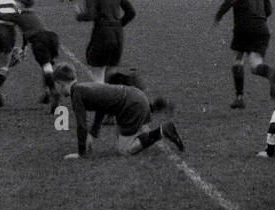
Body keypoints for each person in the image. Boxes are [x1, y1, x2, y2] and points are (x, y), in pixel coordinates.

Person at [53, 63, 182, 159]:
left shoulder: (77, 94)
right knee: (124, 138)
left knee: (124, 150)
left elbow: (81, 125)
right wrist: (92, 135)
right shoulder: (83, 87)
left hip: (131, 106)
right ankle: (153, 116)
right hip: (135, 97)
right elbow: (101, 107)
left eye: (56, 86)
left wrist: (81, 152)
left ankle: (163, 131)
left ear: (60, 83)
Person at [213, 0, 275, 108]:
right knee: (255, 65)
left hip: (243, 28)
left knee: (238, 60)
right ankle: (272, 74)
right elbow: (269, 9)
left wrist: (219, 15)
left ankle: (239, 98)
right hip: (262, 29)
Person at [76, 0, 136, 78]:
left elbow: (91, 15)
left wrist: (79, 15)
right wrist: (118, 24)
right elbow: (131, 12)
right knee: (111, 76)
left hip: (102, 35)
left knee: (98, 75)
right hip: (118, 36)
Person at [9, 0, 62, 106]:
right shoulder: (33, 14)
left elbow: (3, 16)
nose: (15, 4)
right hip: (52, 38)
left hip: (39, 41)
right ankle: (47, 92)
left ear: (22, 4)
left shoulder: (20, 16)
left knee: (46, 67)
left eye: (17, 2)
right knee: (47, 65)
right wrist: (24, 46)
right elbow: (26, 30)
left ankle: (53, 90)